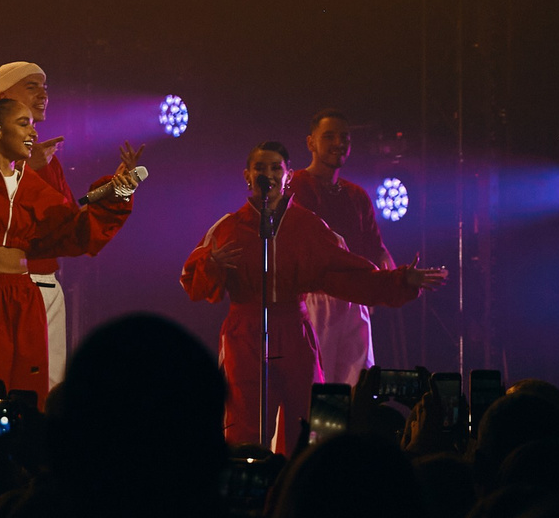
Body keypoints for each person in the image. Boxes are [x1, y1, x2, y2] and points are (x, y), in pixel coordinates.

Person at [181, 140, 445, 452]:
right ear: (247, 175)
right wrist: (212, 265)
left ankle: (298, 488)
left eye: (275, 167)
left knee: (306, 424)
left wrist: (401, 278)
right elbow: (192, 283)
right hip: (245, 333)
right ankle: (249, 490)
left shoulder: (307, 226)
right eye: (260, 168)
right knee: (244, 426)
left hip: (294, 329)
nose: (268, 173)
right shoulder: (227, 228)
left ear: (288, 174)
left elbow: (349, 275)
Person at [0, 95, 135, 407]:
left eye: (33, 124)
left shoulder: (35, 190)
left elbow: (75, 231)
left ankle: (28, 453)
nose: (33, 132)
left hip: (25, 297)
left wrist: (119, 194)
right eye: (24, 124)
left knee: (29, 392)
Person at [0, 61, 76, 387]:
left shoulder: (42, 155)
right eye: (32, 86)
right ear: (3, 97)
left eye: (45, 87)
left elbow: (66, 221)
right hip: (9, 287)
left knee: (50, 388)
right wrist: (27, 167)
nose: (43, 94)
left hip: (46, 283)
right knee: (8, 388)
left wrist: (114, 196)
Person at [285, 110, 392, 384]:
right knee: (314, 387)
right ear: (311, 142)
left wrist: (386, 277)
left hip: (355, 299)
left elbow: (376, 249)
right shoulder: (294, 185)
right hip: (315, 298)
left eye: (344, 137)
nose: (338, 143)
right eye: (329, 136)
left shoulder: (357, 195)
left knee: (357, 386)